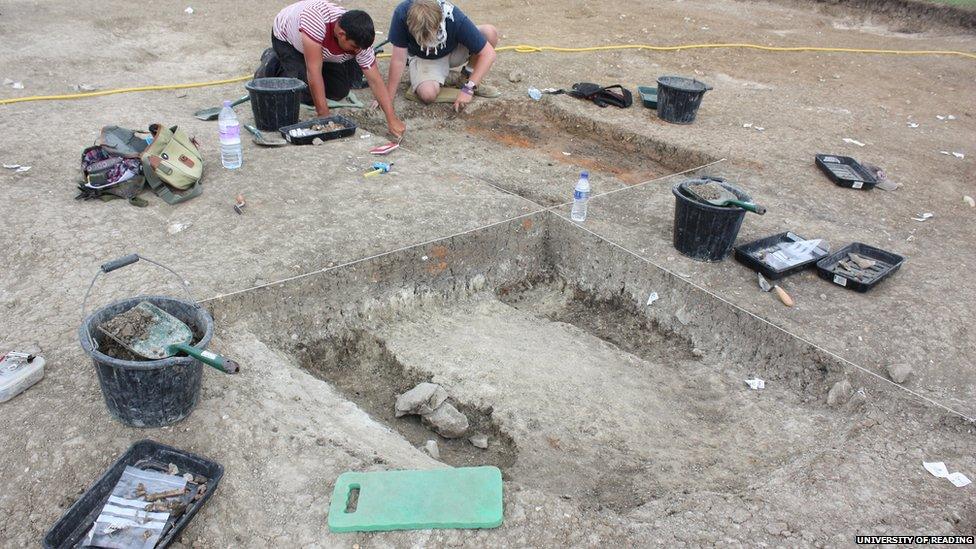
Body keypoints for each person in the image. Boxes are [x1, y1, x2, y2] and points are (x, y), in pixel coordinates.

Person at [256, 0, 405, 138]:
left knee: (339, 91)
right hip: (288, 40)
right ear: (341, 34)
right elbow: (314, 72)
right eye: (354, 47)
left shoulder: (360, 42)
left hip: (322, 49)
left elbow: (375, 80)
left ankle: (306, 63)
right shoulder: (315, 22)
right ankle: (273, 60)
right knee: (302, 90)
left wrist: (391, 118)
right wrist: (324, 115)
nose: (357, 52)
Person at [385, 0, 500, 113]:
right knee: (427, 94)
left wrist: (468, 89)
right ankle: (430, 75)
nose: (428, 45)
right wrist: (388, 97)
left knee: (489, 33)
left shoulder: (453, 16)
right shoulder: (401, 14)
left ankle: (467, 77)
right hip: (425, 58)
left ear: (440, 21)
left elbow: (488, 54)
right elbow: (399, 59)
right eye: (423, 41)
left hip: (453, 50)